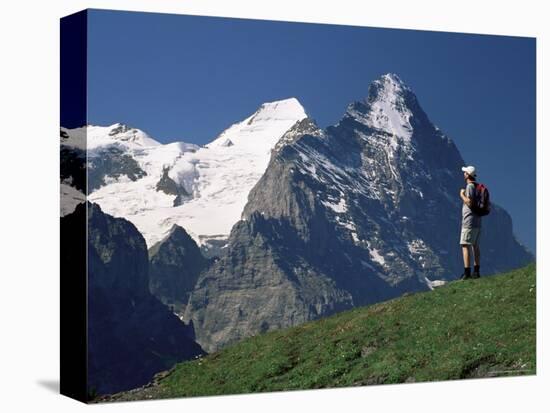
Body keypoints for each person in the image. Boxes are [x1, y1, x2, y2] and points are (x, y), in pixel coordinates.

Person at [459, 165, 482, 280]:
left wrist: (462, 195)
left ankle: (467, 272)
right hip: (478, 220)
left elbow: (470, 202)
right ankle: (476, 271)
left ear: (468, 175)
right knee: (475, 245)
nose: (464, 174)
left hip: (469, 220)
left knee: (465, 244)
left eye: (465, 172)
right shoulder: (477, 187)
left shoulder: (469, 187)